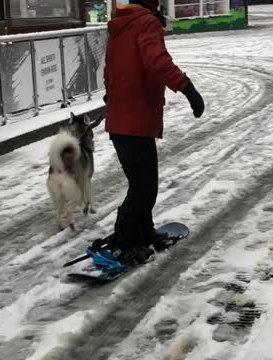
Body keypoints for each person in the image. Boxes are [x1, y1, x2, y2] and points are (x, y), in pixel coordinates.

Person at [103, 0, 205, 265]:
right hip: (134, 119)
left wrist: (111, 95)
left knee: (144, 183)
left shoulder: (122, 25)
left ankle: (142, 232)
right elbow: (157, 61)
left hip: (124, 119)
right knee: (143, 187)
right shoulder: (146, 22)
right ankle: (125, 242)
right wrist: (187, 87)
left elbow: (109, 69)